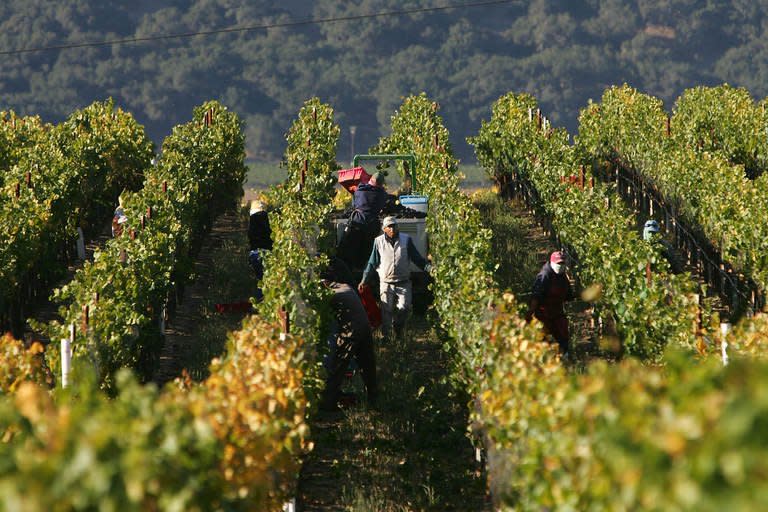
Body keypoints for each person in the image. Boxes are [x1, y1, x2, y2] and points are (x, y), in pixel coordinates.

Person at [358, 216, 431, 340]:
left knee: (405, 307)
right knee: (386, 310)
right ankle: (386, 336)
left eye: (394, 226)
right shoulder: (378, 242)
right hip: (386, 282)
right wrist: (364, 280)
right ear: (384, 229)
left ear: (397, 227)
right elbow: (372, 262)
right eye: (389, 226)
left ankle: (398, 327)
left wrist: (429, 268)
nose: (392, 228)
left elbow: (417, 259)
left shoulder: (406, 240)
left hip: (404, 281)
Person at [320, 280, 378, 412]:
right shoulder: (346, 287)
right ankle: (374, 398)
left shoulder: (331, 295)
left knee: (338, 365)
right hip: (365, 327)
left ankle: (328, 404)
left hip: (352, 330)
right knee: (367, 364)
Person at [525, 251, 574, 355]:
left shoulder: (563, 276)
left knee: (563, 335)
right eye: (558, 263)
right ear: (552, 263)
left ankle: (565, 357)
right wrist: (531, 312)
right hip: (544, 314)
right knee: (543, 340)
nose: (560, 266)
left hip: (557, 312)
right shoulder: (544, 276)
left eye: (562, 263)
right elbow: (536, 296)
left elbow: (568, 295)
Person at [338, 171, 389, 268]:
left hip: (356, 223)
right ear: (381, 184)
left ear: (370, 180)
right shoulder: (382, 195)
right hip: (371, 226)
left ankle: (350, 273)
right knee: (366, 253)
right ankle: (363, 273)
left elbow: (354, 205)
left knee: (349, 251)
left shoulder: (359, 190)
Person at [248, 199, 272, 300]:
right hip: (268, 254)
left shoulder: (252, 220)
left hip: (255, 254)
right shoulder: (268, 219)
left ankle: (260, 301)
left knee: (260, 279)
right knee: (268, 281)